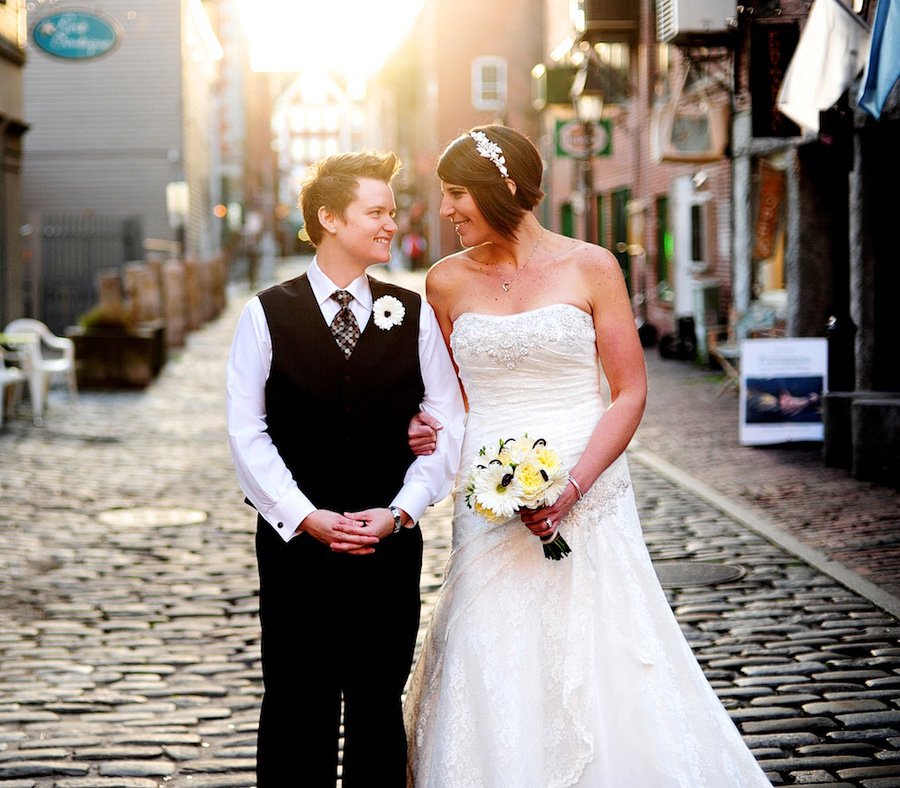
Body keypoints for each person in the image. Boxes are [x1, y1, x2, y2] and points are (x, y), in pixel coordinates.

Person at [403, 126, 772, 787]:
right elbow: (449, 404)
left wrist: (571, 486)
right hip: (488, 505)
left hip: (588, 486)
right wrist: (424, 428)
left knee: (604, 648)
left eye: (456, 194)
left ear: (503, 189)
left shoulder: (592, 266)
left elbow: (628, 392)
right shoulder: (444, 283)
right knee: (491, 649)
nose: (445, 211)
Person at [225, 150, 464, 787]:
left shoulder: (410, 315)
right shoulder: (265, 313)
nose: (391, 223)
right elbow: (246, 432)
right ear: (328, 217)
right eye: (377, 212)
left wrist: (401, 512)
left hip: (387, 548)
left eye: (392, 211)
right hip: (295, 548)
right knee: (295, 700)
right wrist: (304, 516)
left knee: (376, 702)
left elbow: (447, 422)